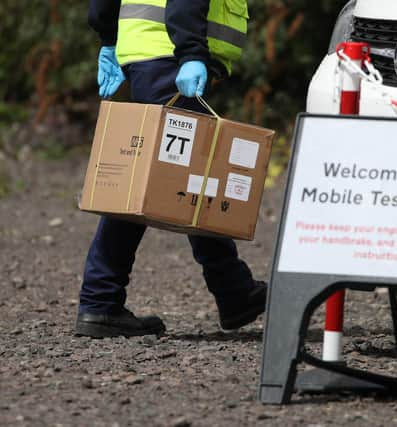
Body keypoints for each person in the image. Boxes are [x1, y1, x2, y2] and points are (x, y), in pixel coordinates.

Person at [76, 0, 266, 338]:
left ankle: (101, 302)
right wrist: (192, 52)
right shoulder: (181, 49)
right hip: (172, 55)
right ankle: (233, 292)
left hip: (143, 56)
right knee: (195, 178)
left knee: (155, 179)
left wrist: (108, 37)